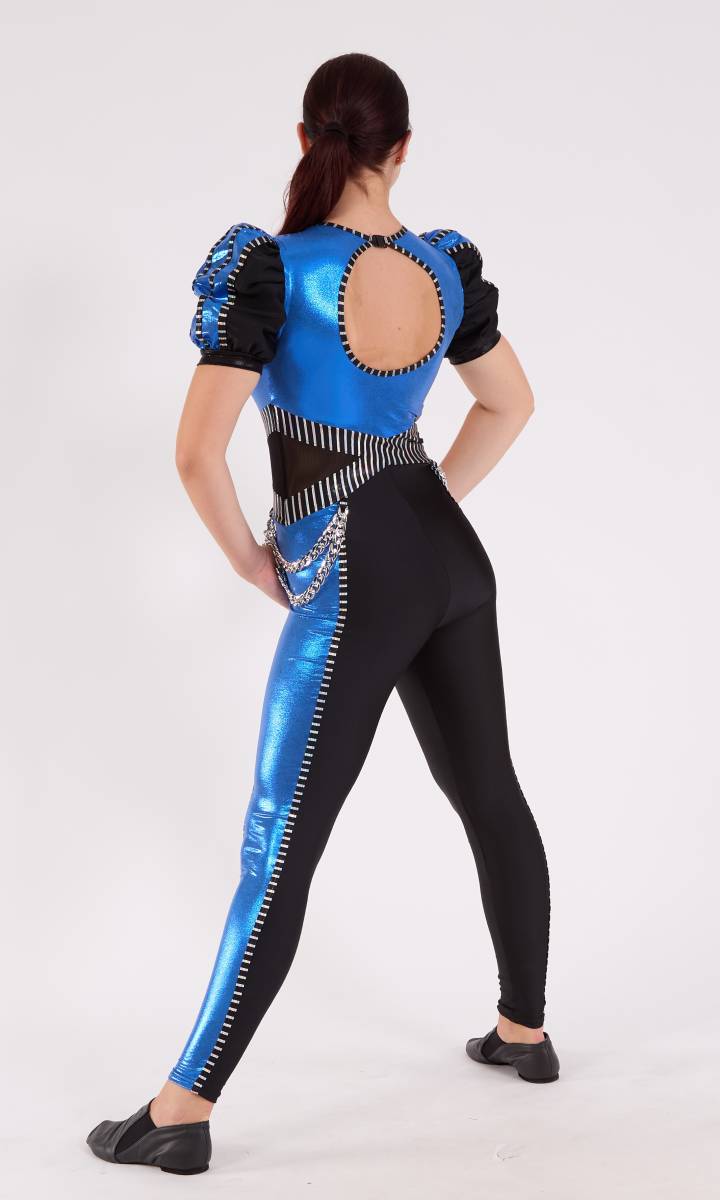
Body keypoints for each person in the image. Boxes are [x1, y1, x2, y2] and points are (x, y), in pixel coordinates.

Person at [86, 51, 559, 1177]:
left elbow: (196, 453)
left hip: (354, 566)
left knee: (278, 839)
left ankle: (184, 1106)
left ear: (308, 141)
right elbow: (510, 404)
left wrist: (256, 560)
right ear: (403, 149)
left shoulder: (274, 268)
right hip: (450, 556)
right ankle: (523, 1030)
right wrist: (424, 504)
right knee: (490, 793)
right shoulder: (443, 268)